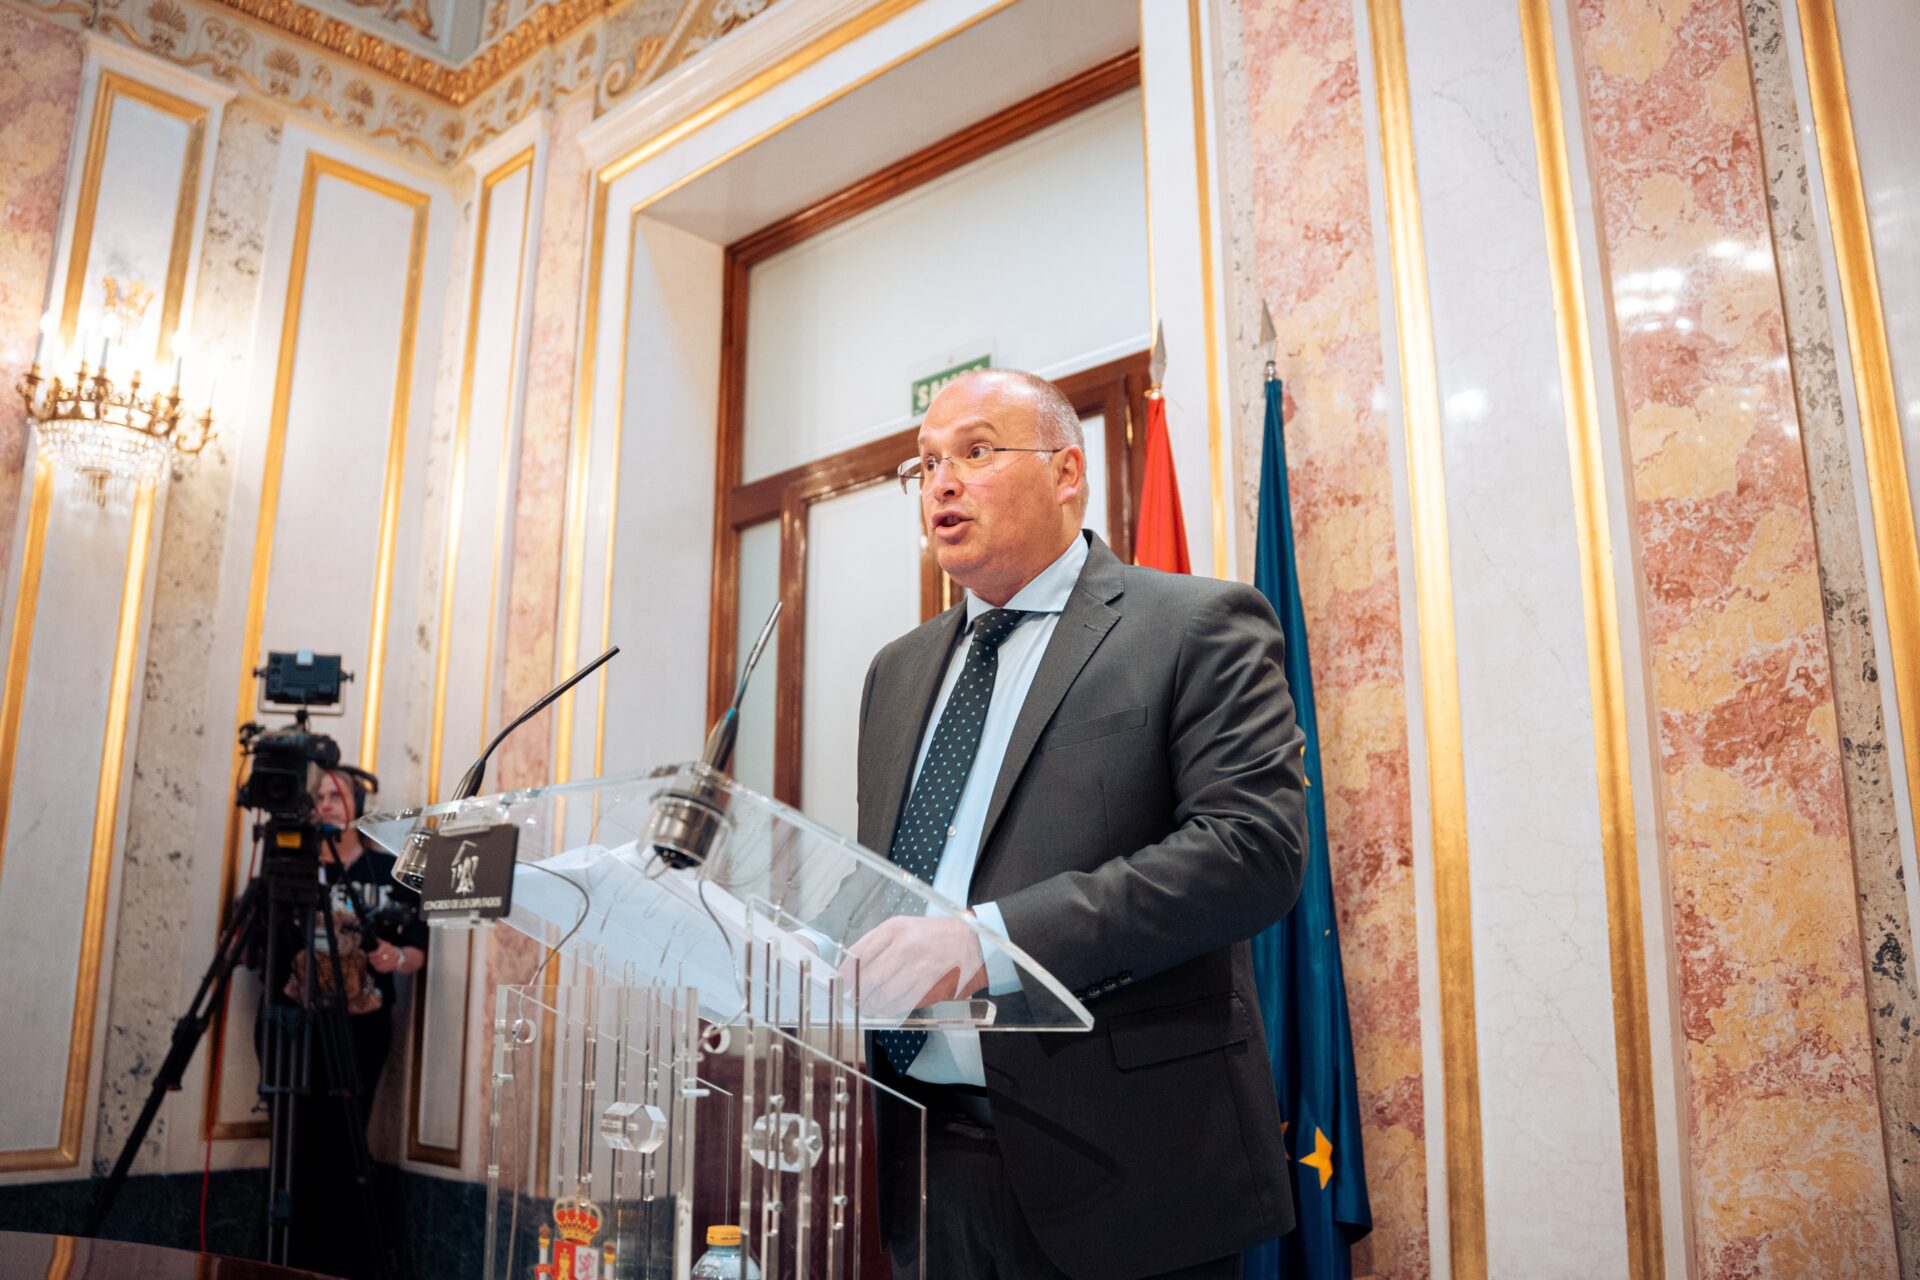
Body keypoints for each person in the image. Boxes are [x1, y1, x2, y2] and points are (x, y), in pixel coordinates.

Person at [850, 368, 1308, 1279]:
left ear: (1067, 472)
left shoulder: (1193, 625)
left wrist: (989, 943)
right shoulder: (896, 671)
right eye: (927, 464)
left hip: (1126, 1171)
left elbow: (1250, 851)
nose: (942, 483)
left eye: (976, 452)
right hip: (926, 1167)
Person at [269, 768, 427, 1279]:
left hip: (362, 1026)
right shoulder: (291, 868)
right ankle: (290, 1259)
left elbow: (418, 949)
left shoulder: (388, 870)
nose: (326, 804)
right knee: (299, 1140)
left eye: (336, 796)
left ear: (358, 804)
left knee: (346, 1137)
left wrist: (394, 958)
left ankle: (340, 1259)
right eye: (318, 796)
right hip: (298, 1026)